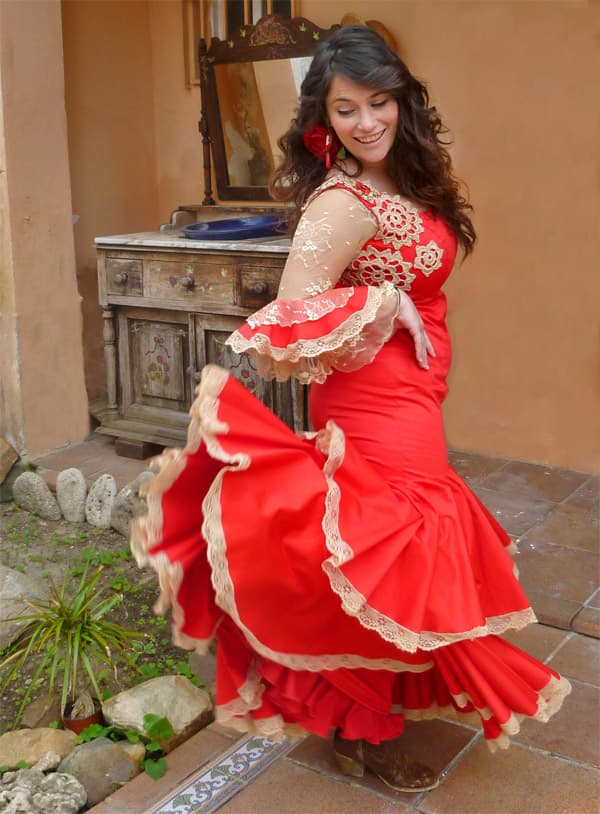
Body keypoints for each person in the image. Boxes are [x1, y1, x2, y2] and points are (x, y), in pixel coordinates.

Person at [132, 25, 570, 793]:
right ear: (322, 119)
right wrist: (385, 297)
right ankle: (359, 729)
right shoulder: (344, 200)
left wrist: (407, 311)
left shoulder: (404, 181)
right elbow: (291, 309)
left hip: (408, 384)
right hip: (373, 395)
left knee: (391, 551)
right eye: (346, 109)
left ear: (401, 98)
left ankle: (374, 703)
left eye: (379, 101)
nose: (367, 122)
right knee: (392, 548)